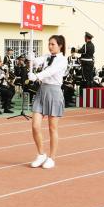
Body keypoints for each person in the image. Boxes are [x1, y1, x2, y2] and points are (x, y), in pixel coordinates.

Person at [28, 35, 69, 170]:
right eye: (49, 44)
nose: (50, 46)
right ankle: (41, 154)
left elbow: (50, 71)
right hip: (42, 91)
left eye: (53, 44)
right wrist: (31, 58)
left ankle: (52, 157)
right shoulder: (46, 56)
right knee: (35, 126)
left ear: (60, 45)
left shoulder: (62, 60)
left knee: (52, 128)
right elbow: (36, 62)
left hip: (54, 92)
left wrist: (37, 76)